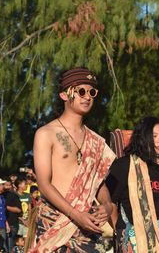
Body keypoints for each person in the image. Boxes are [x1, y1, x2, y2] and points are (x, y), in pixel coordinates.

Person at [28, 67, 116, 252]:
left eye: (92, 92)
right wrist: (74, 214)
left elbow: (98, 183)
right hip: (55, 221)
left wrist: (107, 205)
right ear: (64, 95)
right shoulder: (46, 134)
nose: (87, 96)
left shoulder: (96, 141)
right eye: (81, 91)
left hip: (86, 226)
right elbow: (44, 184)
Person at [105, 117, 159, 252]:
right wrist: (119, 229)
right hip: (134, 244)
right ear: (143, 138)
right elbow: (108, 200)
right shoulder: (124, 165)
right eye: (154, 136)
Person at [3, 178, 22, 252]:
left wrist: (5, 207)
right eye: (5, 185)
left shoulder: (14, 195)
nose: (7, 187)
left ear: (11, 186)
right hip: (1, 225)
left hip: (12, 224)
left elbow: (18, 210)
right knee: (3, 249)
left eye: (9, 185)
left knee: (10, 248)